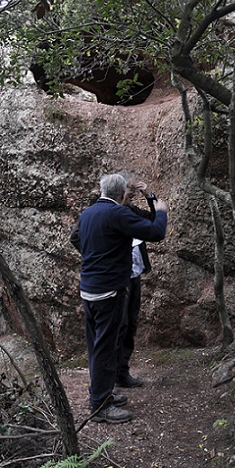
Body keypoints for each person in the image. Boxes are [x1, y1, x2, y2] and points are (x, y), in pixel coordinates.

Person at [71, 173, 167, 424]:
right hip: (109, 291)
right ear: (122, 193)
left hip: (89, 289)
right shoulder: (117, 214)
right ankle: (100, 405)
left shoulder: (88, 213)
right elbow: (156, 232)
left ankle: (101, 393)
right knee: (105, 346)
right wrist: (162, 210)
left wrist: (99, 257)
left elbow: (77, 239)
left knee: (97, 345)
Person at [116, 177, 157, 388]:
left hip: (134, 276)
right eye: (128, 193)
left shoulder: (130, 211)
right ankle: (110, 376)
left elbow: (154, 219)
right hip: (116, 279)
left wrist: (149, 196)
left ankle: (122, 372)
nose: (131, 197)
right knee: (118, 326)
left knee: (130, 324)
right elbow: (78, 238)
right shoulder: (104, 211)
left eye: (133, 195)